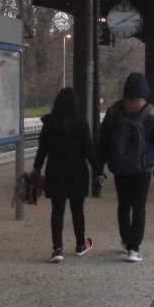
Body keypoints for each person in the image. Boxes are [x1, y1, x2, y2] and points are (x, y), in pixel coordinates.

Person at [97, 72, 154, 263]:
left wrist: (99, 167)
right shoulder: (152, 113)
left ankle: (126, 239)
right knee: (139, 206)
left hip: (119, 166)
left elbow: (103, 141)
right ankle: (134, 248)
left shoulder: (113, 112)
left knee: (123, 204)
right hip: (143, 167)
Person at [33, 88, 98, 263]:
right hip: (77, 172)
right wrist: (98, 169)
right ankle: (80, 244)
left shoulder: (49, 123)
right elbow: (88, 150)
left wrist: (36, 168)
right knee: (77, 210)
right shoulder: (81, 123)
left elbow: (42, 150)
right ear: (75, 105)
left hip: (55, 171)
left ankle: (57, 250)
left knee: (57, 210)